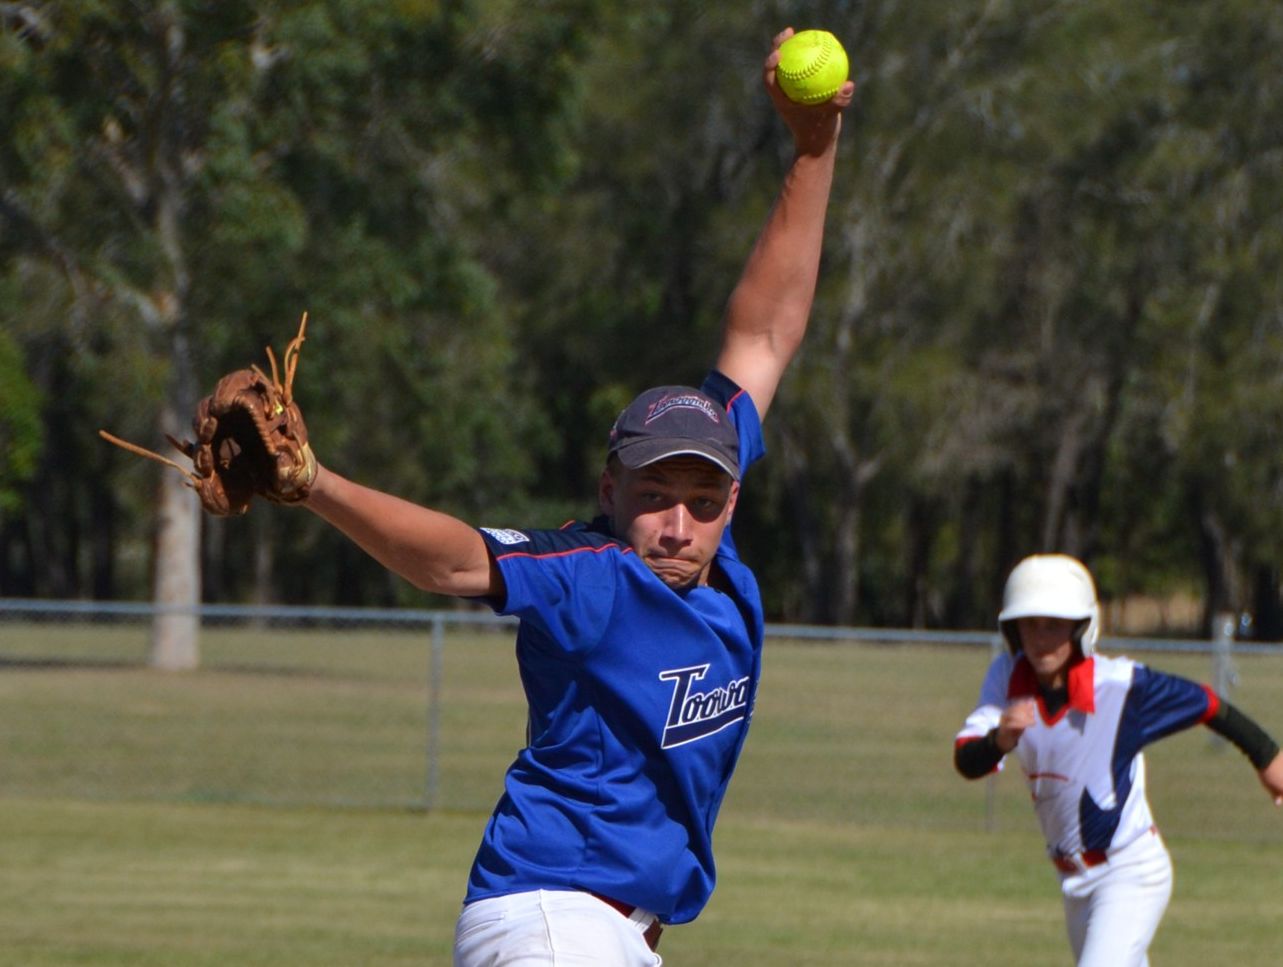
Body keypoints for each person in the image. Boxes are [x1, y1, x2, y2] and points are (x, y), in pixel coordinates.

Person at [299, 29, 853, 966]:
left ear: (731, 492)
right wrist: (314, 483)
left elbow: (765, 329)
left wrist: (813, 150)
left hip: (610, 934)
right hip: (554, 919)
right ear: (610, 488)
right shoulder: (592, 574)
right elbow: (451, 557)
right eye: (652, 494)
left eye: (702, 496)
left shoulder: (716, 563)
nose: (677, 520)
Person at [954, 553, 1283, 967]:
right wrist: (999, 740)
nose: (1040, 638)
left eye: (1054, 625)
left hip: (1130, 871)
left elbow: (1208, 703)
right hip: (1074, 881)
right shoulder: (1006, 679)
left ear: (1082, 627)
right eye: (1029, 624)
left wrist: (1269, 760)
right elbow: (967, 759)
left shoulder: (1120, 686)